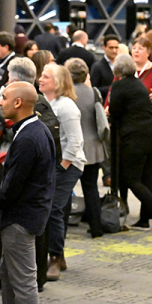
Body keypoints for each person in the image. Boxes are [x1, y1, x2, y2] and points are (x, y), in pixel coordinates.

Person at [0, 82, 56, 304]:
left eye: (4, 97)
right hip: (29, 214)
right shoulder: (38, 129)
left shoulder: (27, 137)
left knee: (24, 282)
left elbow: (13, 184)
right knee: (7, 273)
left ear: (18, 102)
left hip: (21, 218)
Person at [108, 54, 152, 232]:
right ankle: (145, 219)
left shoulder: (119, 85)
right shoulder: (138, 84)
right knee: (146, 176)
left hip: (136, 137)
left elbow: (115, 111)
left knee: (130, 178)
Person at [38, 64, 87, 281]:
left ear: (58, 82)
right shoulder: (46, 103)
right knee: (56, 208)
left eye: (46, 77)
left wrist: (63, 166)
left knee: (53, 210)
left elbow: (75, 140)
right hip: (54, 164)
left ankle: (55, 257)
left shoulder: (66, 107)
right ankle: (59, 254)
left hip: (68, 164)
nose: (40, 79)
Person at [65, 58, 106, 238]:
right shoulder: (94, 92)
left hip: (72, 149)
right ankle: (96, 228)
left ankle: (62, 228)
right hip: (93, 147)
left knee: (66, 190)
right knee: (91, 188)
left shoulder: (65, 95)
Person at [90, 34, 120, 99]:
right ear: (104, 47)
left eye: (116, 47)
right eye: (111, 48)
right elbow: (94, 89)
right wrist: (112, 88)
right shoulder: (97, 67)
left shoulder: (121, 65)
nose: (114, 51)